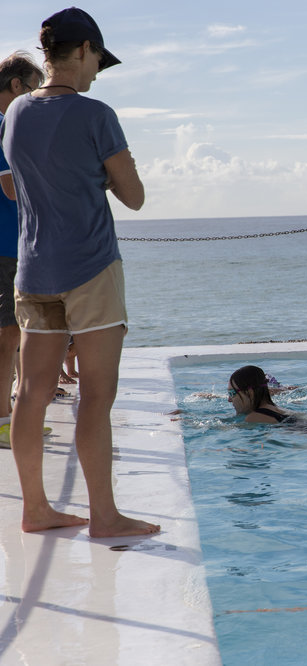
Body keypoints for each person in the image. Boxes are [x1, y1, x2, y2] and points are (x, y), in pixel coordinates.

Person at [0, 8, 158, 537]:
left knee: (31, 393)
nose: (97, 73)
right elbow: (134, 196)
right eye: (97, 62)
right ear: (85, 50)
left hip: (33, 270)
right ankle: (105, 517)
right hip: (90, 268)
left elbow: (13, 186)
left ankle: (36, 510)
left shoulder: (16, 112)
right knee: (96, 395)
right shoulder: (96, 115)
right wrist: (100, 176)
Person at [0, 52, 45, 445]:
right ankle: (5, 419)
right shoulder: (3, 124)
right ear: (16, 86)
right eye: (33, 90)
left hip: (9, 245)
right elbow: (12, 188)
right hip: (5, 246)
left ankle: (12, 414)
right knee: (9, 335)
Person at [228, 365, 294, 424]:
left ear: (250, 392)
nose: (229, 399)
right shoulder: (278, 410)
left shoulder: (254, 417)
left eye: (232, 393)